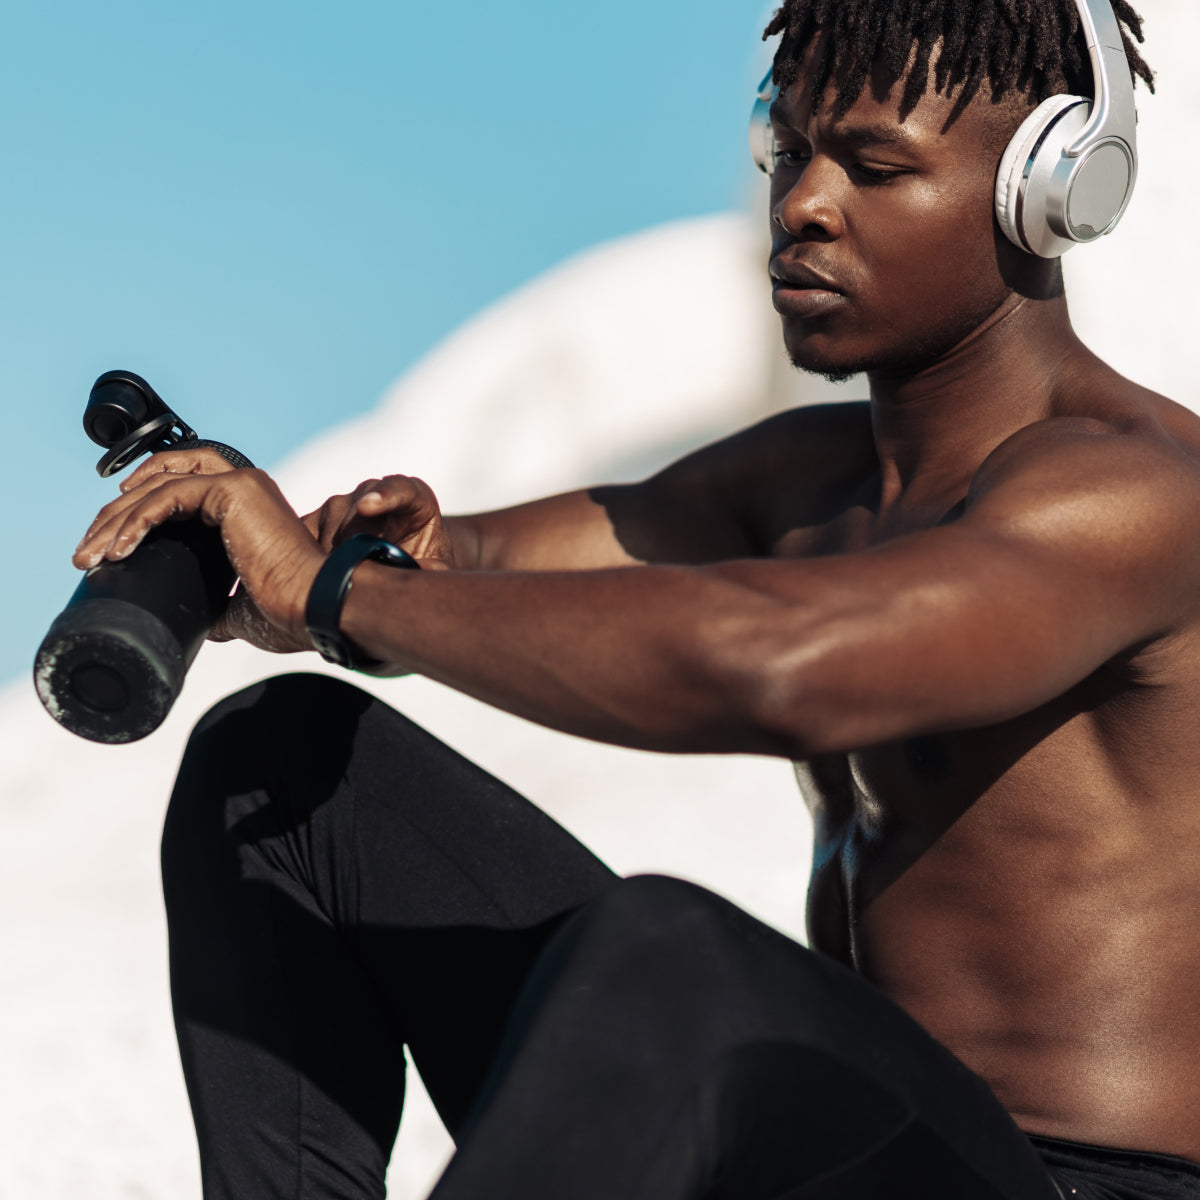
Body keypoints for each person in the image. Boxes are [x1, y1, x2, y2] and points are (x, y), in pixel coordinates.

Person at [73, 1, 1200, 1197]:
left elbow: (780, 668)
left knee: (676, 963)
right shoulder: (801, 481)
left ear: (1052, 190)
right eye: (791, 151)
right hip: (841, 1146)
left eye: (873, 167)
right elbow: (489, 566)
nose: (805, 205)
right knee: (281, 762)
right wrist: (308, 552)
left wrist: (340, 597)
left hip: (1074, 1184)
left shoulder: (1129, 495)